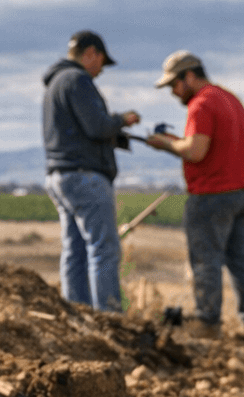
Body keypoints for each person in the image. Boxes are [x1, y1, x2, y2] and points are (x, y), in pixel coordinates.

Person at [146, 51, 244, 340]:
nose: (174, 93)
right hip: (241, 192)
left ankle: (207, 323)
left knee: (205, 260)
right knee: (240, 260)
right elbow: (208, 145)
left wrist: (165, 145)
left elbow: (196, 151)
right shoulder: (230, 99)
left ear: (189, 76)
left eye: (174, 85)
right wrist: (177, 142)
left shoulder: (201, 104)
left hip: (212, 194)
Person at [42, 30, 141, 312]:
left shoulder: (55, 84)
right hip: (85, 175)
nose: (100, 71)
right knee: (104, 249)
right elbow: (97, 126)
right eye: (100, 62)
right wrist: (122, 120)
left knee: (75, 251)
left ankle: (77, 314)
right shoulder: (78, 80)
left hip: (59, 175)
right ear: (91, 54)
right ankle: (110, 317)